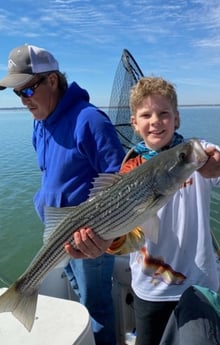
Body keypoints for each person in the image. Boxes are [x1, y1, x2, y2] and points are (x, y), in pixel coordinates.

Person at [65, 76, 220, 345]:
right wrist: (106, 243)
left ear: (177, 119)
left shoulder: (198, 156)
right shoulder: (129, 170)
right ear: (135, 125)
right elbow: (132, 238)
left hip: (199, 288)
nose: (156, 121)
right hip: (148, 291)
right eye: (146, 114)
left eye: (164, 113)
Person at [0, 44, 125, 345]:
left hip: (89, 240)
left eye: (27, 90)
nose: (23, 100)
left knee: (96, 309)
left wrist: (109, 237)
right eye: (17, 93)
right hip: (57, 235)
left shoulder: (90, 121)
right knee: (81, 300)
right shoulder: (40, 123)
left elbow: (122, 185)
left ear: (52, 81)